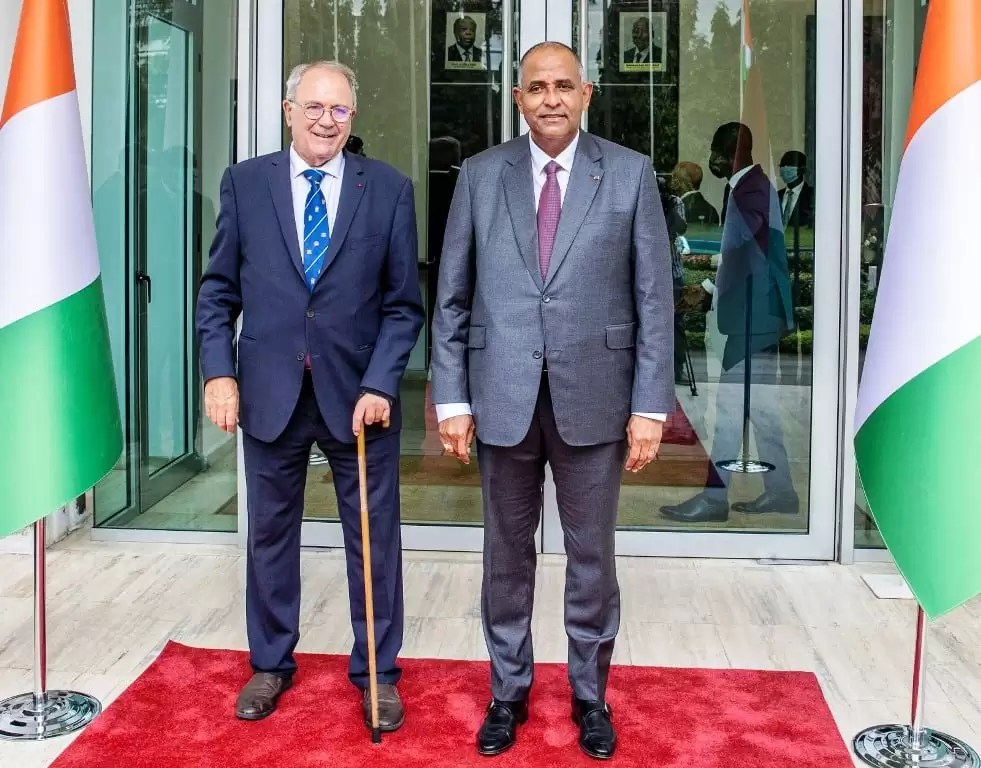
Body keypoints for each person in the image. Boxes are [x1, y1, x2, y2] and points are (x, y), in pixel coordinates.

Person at [430, 41, 674, 760]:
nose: (550, 99)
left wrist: (650, 407)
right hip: (500, 397)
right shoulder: (480, 176)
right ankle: (507, 692)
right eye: (536, 87)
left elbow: (654, 300)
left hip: (596, 399)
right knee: (505, 559)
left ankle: (590, 695)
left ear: (586, 93)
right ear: (518, 98)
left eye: (563, 85)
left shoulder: (628, 174)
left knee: (591, 558)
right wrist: (451, 399)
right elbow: (451, 297)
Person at [195, 60, 424, 731]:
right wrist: (218, 374)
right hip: (269, 392)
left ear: (353, 117)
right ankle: (270, 663)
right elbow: (217, 292)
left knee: (373, 540)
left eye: (340, 110)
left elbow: (403, 306)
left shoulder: (388, 189)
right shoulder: (246, 184)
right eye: (315, 107)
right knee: (269, 537)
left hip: (358, 399)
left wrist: (381, 381)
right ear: (288, 110)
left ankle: (378, 672)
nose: (327, 121)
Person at [660, 123, 796, 523]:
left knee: (731, 407)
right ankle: (782, 491)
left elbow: (746, 252)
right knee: (761, 408)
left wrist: (704, 288)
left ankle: (715, 498)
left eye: (717, 152)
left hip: (752, 316)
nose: (712, 160)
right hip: (760, 315)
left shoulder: (749, 191)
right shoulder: (752, 187)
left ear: (732, 153)